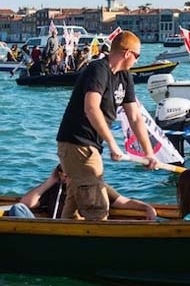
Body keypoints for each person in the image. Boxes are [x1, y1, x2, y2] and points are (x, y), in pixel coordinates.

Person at [56, 30, 158, 221]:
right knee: (98, 206)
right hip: (77, 144)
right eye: (137, 56)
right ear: (127, 53)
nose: (137, 60)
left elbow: (135, 117)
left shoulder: (125, 77)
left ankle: (61, 242)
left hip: (91, 147)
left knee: (74, 207)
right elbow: (91, 108)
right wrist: (112, 144)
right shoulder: (98, 70)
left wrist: (148, 152)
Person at [7, 164, 157, 220]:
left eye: (69, 172)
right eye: (62, 173)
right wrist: (50, 181)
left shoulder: (94, 186)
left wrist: (146, 207)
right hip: (51, 229)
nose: (66, 176)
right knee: (17, 209)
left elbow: (124, 202)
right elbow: (26, 204)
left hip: (76, 229)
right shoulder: (54, 188)